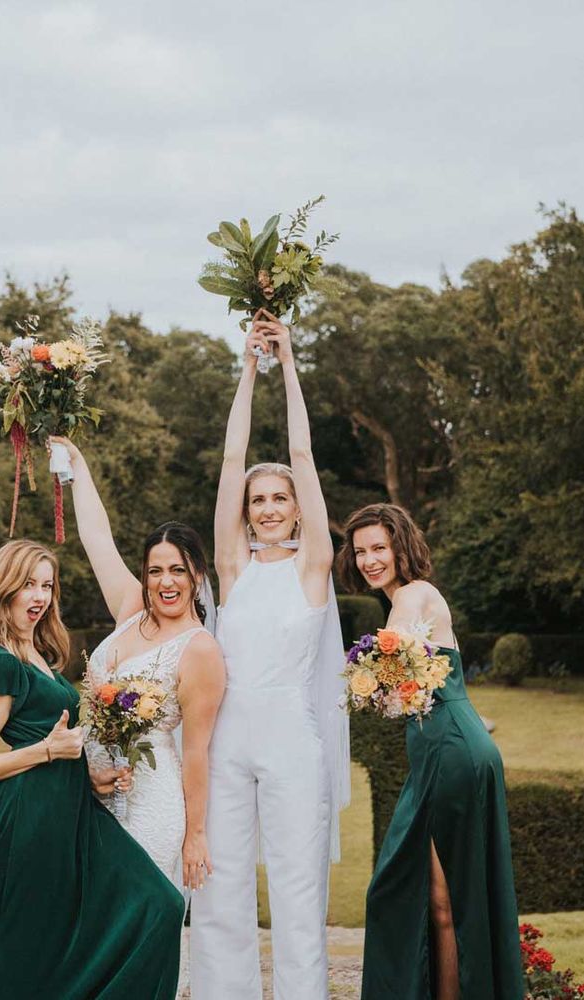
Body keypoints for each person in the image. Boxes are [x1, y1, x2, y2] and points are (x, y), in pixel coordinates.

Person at [0, 539, 184, 1000]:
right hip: (32, 817)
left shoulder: (41, 657)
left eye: (47, 586)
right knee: (29, 945)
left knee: (160, 903)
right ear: (4, 587)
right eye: (28, 584)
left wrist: (89, 777)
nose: (39, 596)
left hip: (73, 810)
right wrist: (48, 752)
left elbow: (55, 743)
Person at [190, 310, 351, 1000]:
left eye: (280, 498)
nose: (268, 507)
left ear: (298, 508)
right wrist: (246, 365)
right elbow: (231, 460)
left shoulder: (314, 564)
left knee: (296, 891)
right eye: (259, 500)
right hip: (227, 740)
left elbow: (306, 456)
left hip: (294, 742)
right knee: (220, 892)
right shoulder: (232, 565)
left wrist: (289, 364)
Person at [337, 504, 524, 1000]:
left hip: (451, 752)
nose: (369, 560)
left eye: (379, 548)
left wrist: (349, 670)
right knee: (434, 897)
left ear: (401, 547)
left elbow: (382, 665)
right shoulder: (409, 599)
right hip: (444, 751)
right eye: (360, 552)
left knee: (438, 899)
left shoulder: (413, 596)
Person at [61, 438, 226, 996]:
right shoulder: (130, 612)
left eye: (177, 570)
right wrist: (79, 465)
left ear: (196, 574)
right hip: (93, 793)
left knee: (141, 928)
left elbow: (198, 749)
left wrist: (196, 836)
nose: (165, 582)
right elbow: (96, 540)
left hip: (152, 804)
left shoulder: (200, 650)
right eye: (155, 570)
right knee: (94, 927)